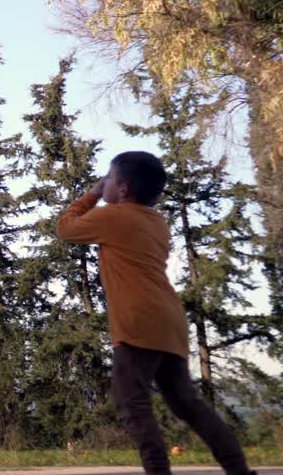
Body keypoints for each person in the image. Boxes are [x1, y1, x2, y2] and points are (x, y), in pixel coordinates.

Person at [58, 151, 254, 475]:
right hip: (170, 320)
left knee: (132, 403)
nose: (104, 183)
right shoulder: (157, 222)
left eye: (109, 178)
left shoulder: (115, 216)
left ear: (123, 189)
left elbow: (66, 229)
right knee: (186, 403)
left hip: (138, 321)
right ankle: (238, 470)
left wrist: (92, 194)